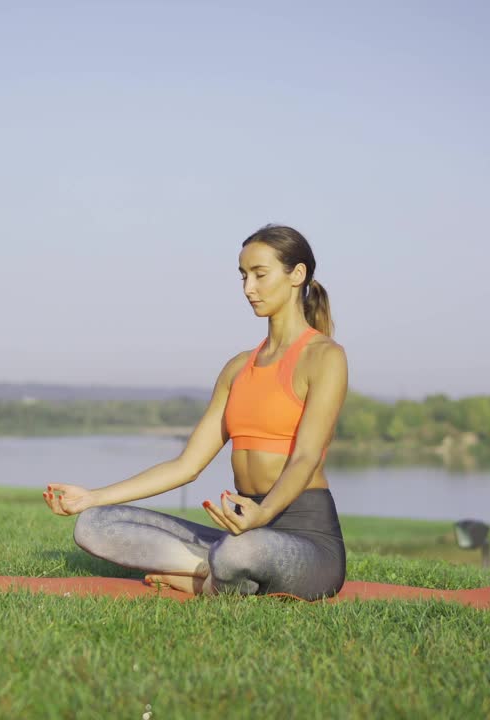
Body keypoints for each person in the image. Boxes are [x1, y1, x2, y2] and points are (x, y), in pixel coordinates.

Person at [41, 224, 349, 600]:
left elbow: (305, 458)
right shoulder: (238, 368)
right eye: (243, 275)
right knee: (93, 525)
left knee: (239, 551)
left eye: (259, 274)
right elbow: (186, 466)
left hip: (306, 541)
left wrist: (264, 514)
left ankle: (218, 573)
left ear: (296, 275)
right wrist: (91, 497)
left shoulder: (325, 357)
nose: (248, 288)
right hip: (244, 527)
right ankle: (217, 573)